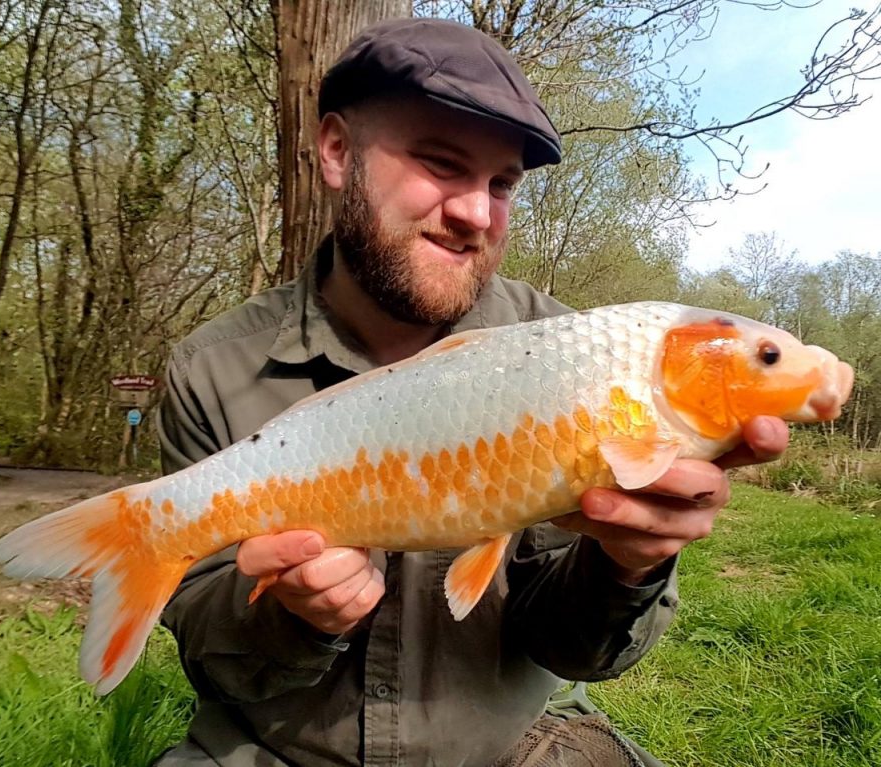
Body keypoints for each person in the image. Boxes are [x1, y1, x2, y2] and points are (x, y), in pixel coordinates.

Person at [153, 17, 788, 767]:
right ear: (335, 150)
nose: (476, 213)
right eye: (441, 164)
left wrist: (628, 563)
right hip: (272, 749)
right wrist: (296, 616)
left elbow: (574, 648)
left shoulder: (574, 358)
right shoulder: (212, 368)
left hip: (513, 743)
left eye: (502, 184)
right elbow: (208, 648)